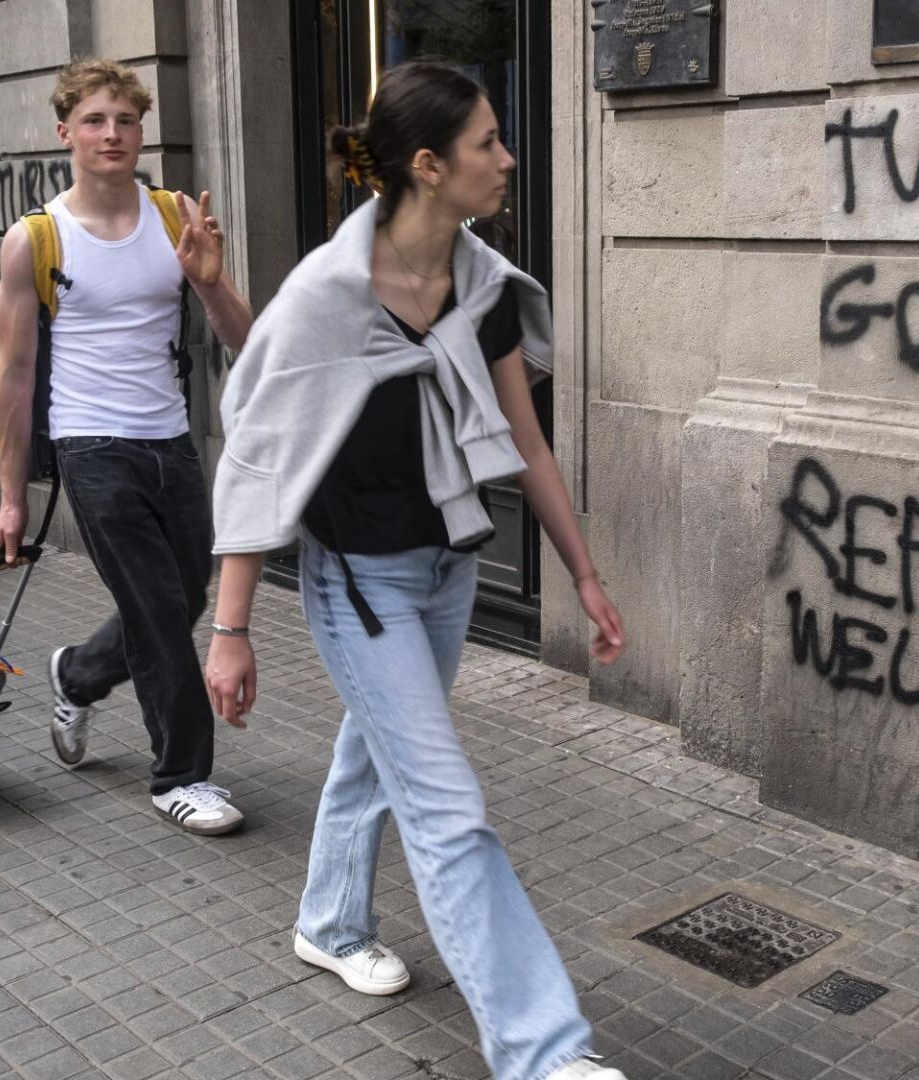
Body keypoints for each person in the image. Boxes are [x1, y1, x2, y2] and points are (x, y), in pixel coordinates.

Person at [203, 62, 629, 1080]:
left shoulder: (480, 284)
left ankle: (329, 922)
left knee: (377, 754)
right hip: (361, 587)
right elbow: (259, 456)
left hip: (448, 573)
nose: (508, 159)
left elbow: (526, 441)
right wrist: (230, 629)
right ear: (429, 166)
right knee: (447, 811)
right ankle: (542, 1053)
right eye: (489, 142)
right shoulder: (328, 296)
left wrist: (583, 573)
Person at [0, 59, 255, 835]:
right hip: (90, 446)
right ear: (65, 132)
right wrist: (11, 498)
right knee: (160, 613)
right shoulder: (35, 239)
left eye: (126, 121)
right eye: (96, 121)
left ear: (141, 132)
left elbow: (246, 340)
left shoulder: (174, 215)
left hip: (170, 440)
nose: (112, 134)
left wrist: (210, 281)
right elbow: (13, 374)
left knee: (185, 597)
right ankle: (180, 777)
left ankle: (76, 673)